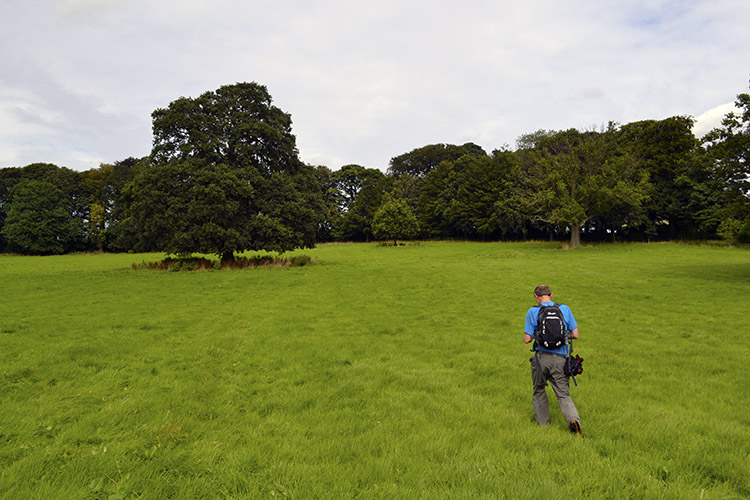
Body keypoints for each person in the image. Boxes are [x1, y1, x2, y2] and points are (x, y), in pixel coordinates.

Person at [524, 284, 582, 434]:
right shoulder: (565, 309)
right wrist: (563, 336)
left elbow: (526, 339)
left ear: (536, 297)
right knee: (563, 394)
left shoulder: (533, 311)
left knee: (538, 390)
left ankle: (543, 425)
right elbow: (575, 334)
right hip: (560, 359)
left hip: (541, 358)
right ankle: (573, 420)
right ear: (551, 294)